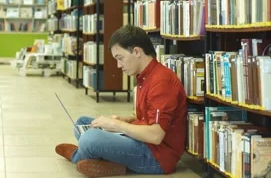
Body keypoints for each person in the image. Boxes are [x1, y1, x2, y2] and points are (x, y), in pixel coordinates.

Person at [55, 24, 187, 177]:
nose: (118, 65)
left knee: (90, 138)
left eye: (120, 58)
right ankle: (109, 163)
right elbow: (148, 119)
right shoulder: (145, 76)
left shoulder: (161, 82)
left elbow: (155, 136)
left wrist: (117, 125)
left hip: (155, 157)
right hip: (144, 143)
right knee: (82, 122)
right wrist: (127, 120)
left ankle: (78, 156)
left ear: (137, 51)